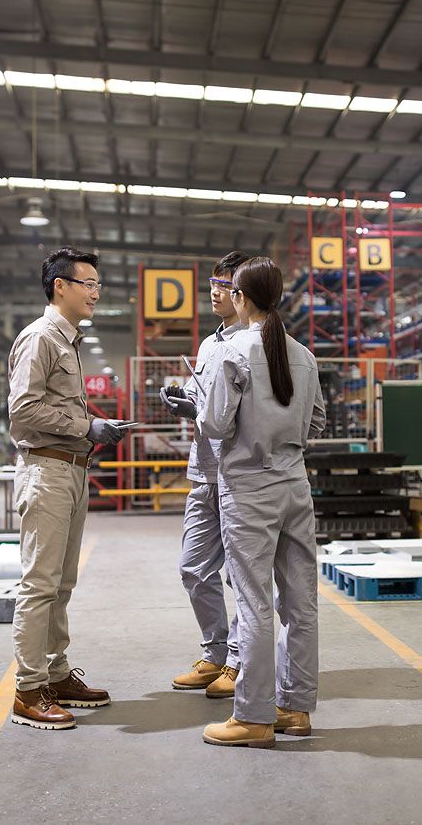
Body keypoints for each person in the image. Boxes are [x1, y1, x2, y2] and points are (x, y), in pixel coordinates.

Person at [192, 256, 326, 748]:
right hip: (296, 486)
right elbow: (316, 423)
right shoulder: (305, 356)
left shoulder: (234, 352)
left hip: (249, 490)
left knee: (253, 604)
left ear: (241, 298)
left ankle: (252, 716)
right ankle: (295, 708)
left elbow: (213, 426)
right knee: (301, 603)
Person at [6, 246, 129, 731]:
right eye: (89, 284)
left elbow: (54, 409)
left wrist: (93, 427)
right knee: (39, 585)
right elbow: (23, 410)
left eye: (98, 285)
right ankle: (28, 689)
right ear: (61, 286)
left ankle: (55, 675)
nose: (96, 293)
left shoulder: (68, 340)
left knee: (61, 584)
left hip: (71, 471)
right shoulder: (40, 339)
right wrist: (87, 429)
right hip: (48, 472)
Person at [160, 251, 249, 698]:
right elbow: (203, 401)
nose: (214, 292)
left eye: (223, 283)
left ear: (244, 289)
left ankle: (237, 660)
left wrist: (207, 411)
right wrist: (185, 402)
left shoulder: (256, 343)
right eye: (211, 283)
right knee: (193, 568)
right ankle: (215, 652)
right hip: (204, 470)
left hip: (239, 475)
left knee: (242, 576)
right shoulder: (210, 344)